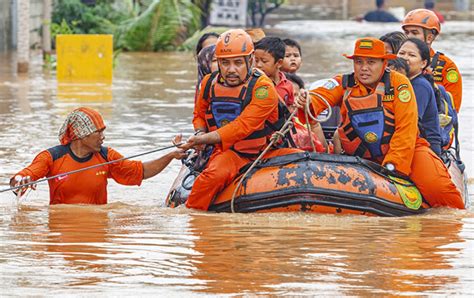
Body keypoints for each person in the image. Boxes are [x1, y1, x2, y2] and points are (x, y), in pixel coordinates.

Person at [295, 37, 463, 209]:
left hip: (407, 153)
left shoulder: (399, 84)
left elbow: (406, 129)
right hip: (358, 157)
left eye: (371, 62)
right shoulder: (343, 83)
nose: (364, 68)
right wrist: (306, 101)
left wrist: (392, 167)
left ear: (384, 63)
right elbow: (319, 98)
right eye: (359, 62)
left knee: (440, 191)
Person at [179, 29, 301, 211]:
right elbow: (199, 115)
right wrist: (199, 133)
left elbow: (243, 126)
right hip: (232, 153)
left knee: (305, 164)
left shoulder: (263, 88)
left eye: (238, 63)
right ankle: (193, 217)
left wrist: (205, 139)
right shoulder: (208, 83)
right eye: (225, 63)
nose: (231, 70)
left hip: (266, 150)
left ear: (250, 60)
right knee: (211, 177)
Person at [10, 107, 186, 205]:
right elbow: (22, 178)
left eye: (103, 132)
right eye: (98, 132)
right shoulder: (52, 157)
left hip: (98, 230)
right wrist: (19, 181)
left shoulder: (107, 155)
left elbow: (141, 171)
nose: (103, 137)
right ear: (81, 135)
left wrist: (170, 155)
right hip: (61, 230)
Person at [402, 9, 462, 112]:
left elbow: (452, 109)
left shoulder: (446, 67)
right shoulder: (397, 63)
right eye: (406, 32)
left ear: (429, 38)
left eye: (414, 33)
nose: (409, 37)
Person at [397, 38, 442, 156]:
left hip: (426, 146)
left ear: (423, 63)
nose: (405, 58)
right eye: (401, 53)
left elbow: (411, 123)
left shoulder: (420, 86)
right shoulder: (399, 83)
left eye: (411, 55)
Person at [286, 73, 328, 152]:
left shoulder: (308, 120)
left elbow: (324, 152)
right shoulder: (272, 122)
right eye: (288, 95)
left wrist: (314, 124)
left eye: (295, 95)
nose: (292, 100)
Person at [255, 37, 295, 107]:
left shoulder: (288, 86)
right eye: (256, 60)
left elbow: (290, 109)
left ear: (279, 63)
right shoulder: (252, 83)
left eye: (264, 61)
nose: (258, 65)